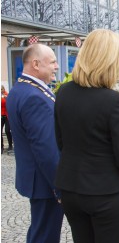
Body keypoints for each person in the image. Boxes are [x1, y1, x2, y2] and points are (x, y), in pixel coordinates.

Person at [54, 29, 119, 243]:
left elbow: (61, 143)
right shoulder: (113, 101)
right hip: (104, 193)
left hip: (70, 189)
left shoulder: (63, 93)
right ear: (110, 62)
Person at [7, 43, 64, 243]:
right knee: (45, 235)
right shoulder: (34, 96)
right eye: (53, 62)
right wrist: (59, 186)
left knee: (40, 230)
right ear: (36, 64)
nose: (56, 66)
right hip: (45, 181)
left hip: (37, 178)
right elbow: (45, 148)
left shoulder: (21, 88)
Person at [1, 85, 13, 154]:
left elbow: (9, 104)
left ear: (3, 89)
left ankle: (10, 145)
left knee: (7, 130)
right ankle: (1, 146)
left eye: (1, 89)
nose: (1, 91)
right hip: (1, 115)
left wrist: (6, 98)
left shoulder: (6, 95)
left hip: (7, 115)